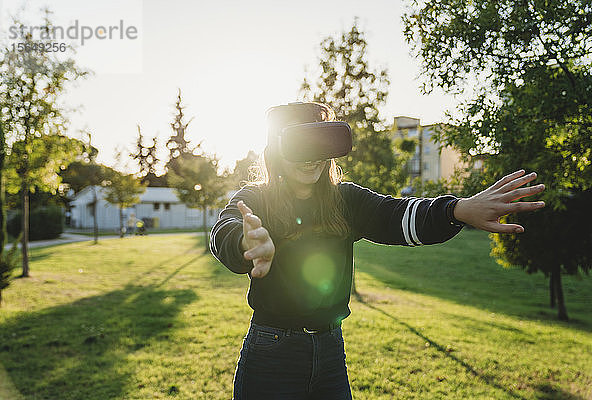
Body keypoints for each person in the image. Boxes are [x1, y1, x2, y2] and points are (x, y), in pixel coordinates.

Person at [209, 102, 545, 400]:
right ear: (277, 150)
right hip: (271, 353)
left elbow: (397, 215)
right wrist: (246, 244)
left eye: (322, 142)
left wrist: (456, 209)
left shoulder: (345, 200)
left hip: (329, 352)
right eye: (301, 143)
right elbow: (224, 231)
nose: (312, 156)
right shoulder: (257, 198)